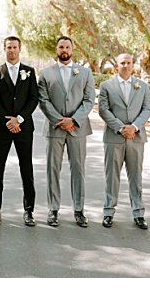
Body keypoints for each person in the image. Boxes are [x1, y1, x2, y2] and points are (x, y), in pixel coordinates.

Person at [38, 36, 95, 227]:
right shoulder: (46, 73)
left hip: (77, 128)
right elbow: (43, 100)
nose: (64, 49)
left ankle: (79, 210)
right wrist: (59, 120)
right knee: (52, 169)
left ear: (72, 49)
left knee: (78, 170)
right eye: (61, 46)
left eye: (68, 46)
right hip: (55, 128)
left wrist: (74, 120)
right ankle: (53, 209)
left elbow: (89, 100)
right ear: (56, 49)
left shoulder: (85, 72)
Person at [0, 36, 41, 227]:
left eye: (15, 47)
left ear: (20, 49)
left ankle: (29, 211)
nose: (12, 50)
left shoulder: (29, 71)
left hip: (24, 127)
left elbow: (33, 98)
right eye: (9, 47)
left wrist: (19, 119)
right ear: (4, 49)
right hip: (2, 128)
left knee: (26, 169)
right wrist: (6, 120)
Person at [97, 53, 150, 229]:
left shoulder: (142, 86)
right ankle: (108, 212)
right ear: (116, 66)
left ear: (133, 65)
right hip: (114, 137)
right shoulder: (106, 86)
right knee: (111, 176)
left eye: (129, 63)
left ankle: (138, 213)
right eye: (122, 63)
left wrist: (134, 127)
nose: (126, 66)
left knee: (136, 176)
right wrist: (122, 127)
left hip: (136, 138)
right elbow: (103, 110)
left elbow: (147, 109)